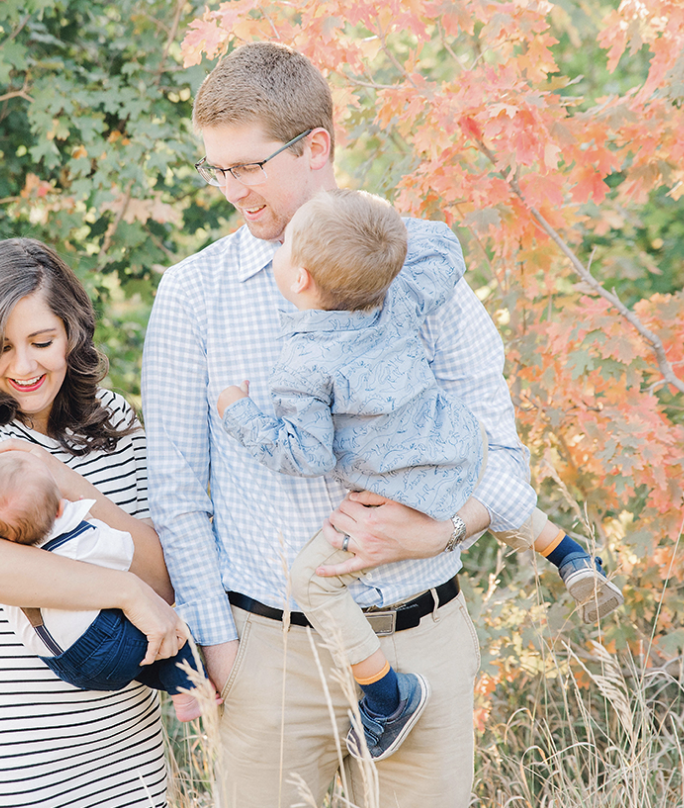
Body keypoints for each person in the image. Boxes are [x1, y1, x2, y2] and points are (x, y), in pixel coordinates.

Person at [141, 42, 621, 808]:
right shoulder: (192, 294)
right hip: (271, 650)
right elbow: (172, 487)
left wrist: (444, 530)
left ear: (317, 147)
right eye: (217, 169)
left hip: (420, 636)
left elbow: (496, 445)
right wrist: (223, 653)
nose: (230, 190)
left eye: (247, 167)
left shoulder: (413, 269)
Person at [215, 189, 622, 760]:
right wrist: (373, 227)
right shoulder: (399, 291)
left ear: (301, 279)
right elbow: (443, 245)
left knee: (311, 580)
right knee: (488, 489)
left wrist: (238, 411)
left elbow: (305, 456)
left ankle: (383, 693)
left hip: (396, 485)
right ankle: (571, 555)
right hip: (452, 442)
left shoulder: (304, 362)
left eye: (284, 250)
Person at [0, 237, 187, 808]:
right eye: (1, 348)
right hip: (9, 769)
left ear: (72, 332)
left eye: (42, 341)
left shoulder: (113, 418)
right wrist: (122, 590)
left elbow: (165, 574)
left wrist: (70, 486)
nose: (24, 366)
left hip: (127, 765)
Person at [0, 451, 203, 721]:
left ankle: (171, 682)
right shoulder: (78, 535)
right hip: (104, 647)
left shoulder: (11, 564)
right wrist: (95, 520)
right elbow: (125, 552)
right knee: (166, 623)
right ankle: (188, 691)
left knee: (139, 651)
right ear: (60, 509)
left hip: (62, 663)